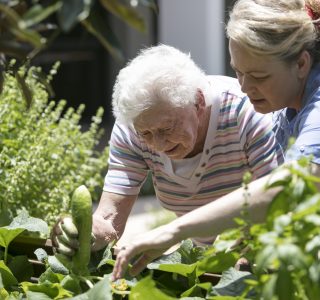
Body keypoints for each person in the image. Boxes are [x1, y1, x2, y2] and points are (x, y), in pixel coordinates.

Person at [111, 0, 320, 280]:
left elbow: (287, 188)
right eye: (238, 71)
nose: (243, 87)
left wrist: (172, 231)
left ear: (301, 63)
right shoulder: (288, 96)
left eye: (257, 76)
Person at [51, 45, 283, 256]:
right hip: (203, 258)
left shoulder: (248, 114)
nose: (159, 145)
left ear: (198, 102)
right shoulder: (132, 125)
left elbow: (274, 205)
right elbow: (110, 219)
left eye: (167, 128)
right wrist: (86, 231)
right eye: (147, 134)